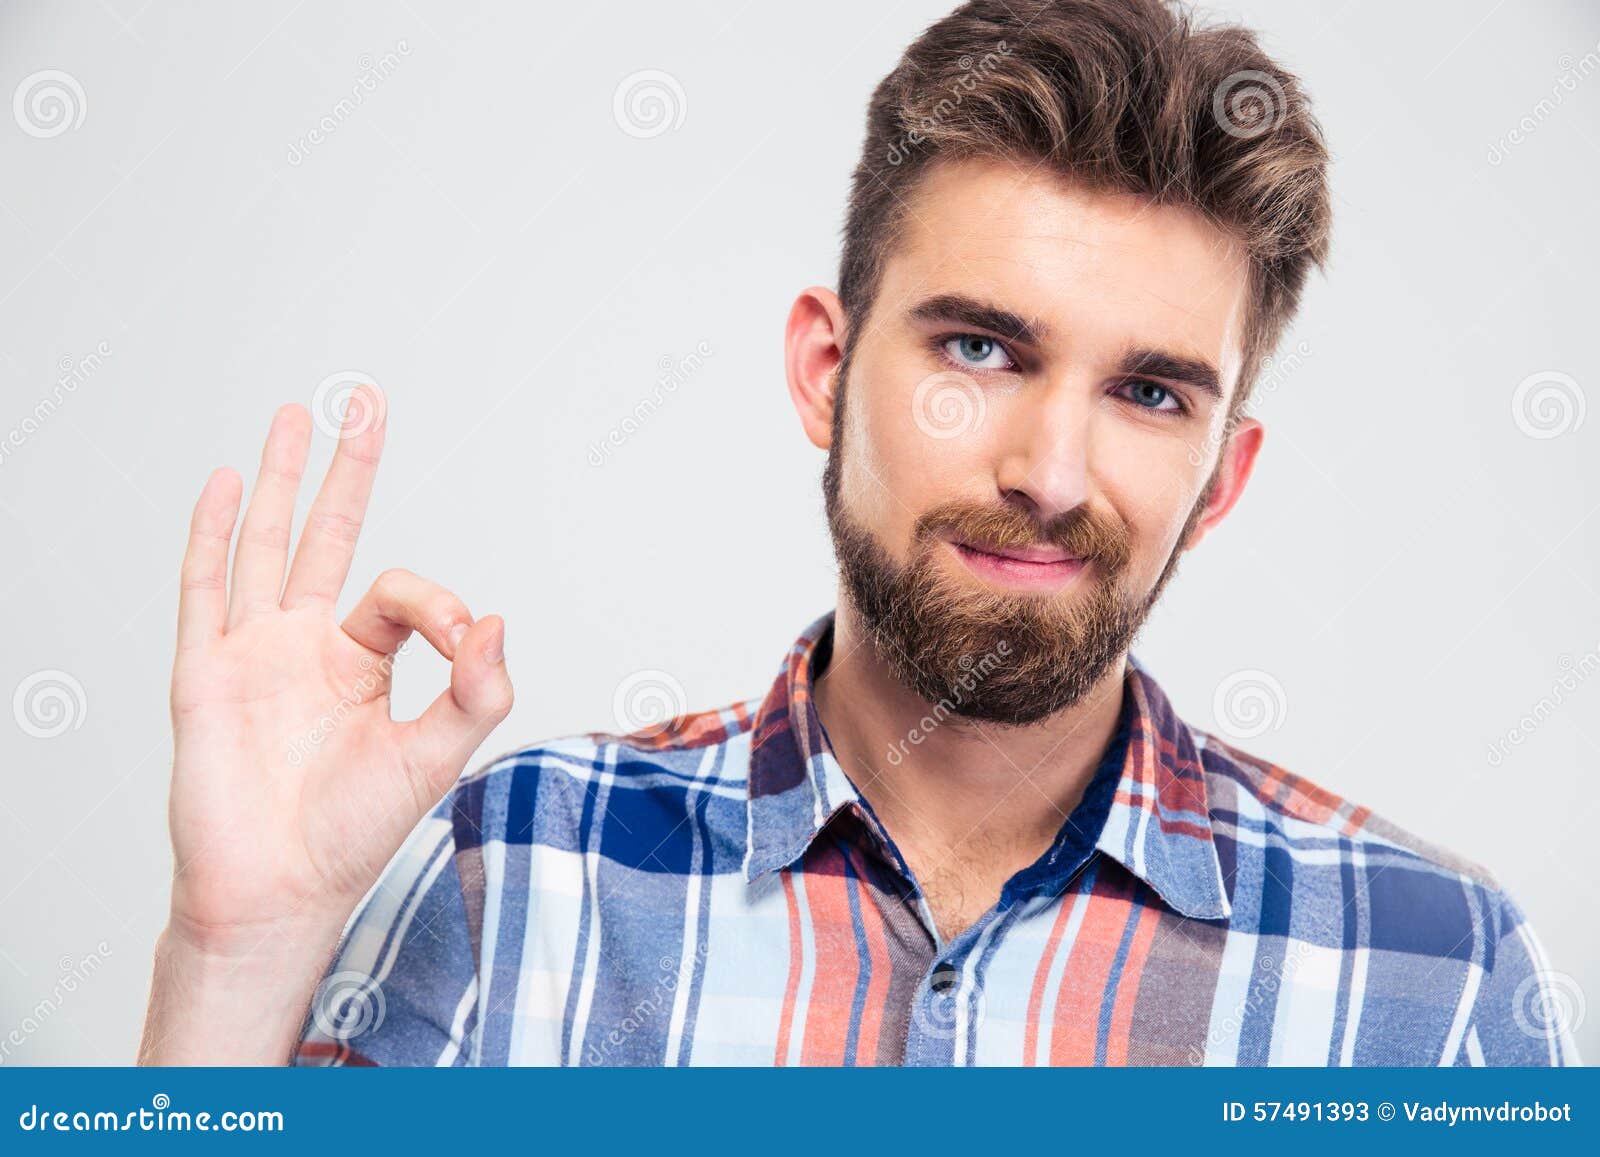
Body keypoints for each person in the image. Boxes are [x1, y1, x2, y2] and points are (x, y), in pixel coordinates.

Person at [138, 0, 1578, 1066]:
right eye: (980, 351)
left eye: (1148, 390)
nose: (1051, 471)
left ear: (1223, 472)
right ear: (827, 371)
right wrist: (237, 950)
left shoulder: (1440, 978)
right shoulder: (520, 870)